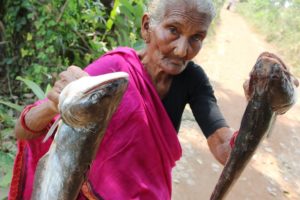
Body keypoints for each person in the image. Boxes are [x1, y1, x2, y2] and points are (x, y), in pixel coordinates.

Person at [9, 0, 239, 199]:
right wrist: (52, 105)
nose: (182, 50)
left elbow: (224, 150)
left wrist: (262, 103)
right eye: (173, 30)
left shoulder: (193, 79)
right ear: (147, 26)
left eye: (196, 37)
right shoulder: (115, 69)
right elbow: (23, 130)